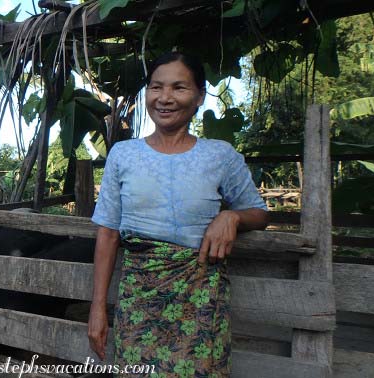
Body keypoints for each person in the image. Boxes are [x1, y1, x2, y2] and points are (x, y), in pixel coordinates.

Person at [87, 52, 268, 377]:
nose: (165, 98)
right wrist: (98, 308)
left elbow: (259, 212)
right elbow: (108, 233)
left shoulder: (220, 156)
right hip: (138, 303)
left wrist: (232, 218)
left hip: (201, 303)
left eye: (179, 88)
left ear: (199, 96)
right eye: (156, 87)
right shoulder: (123, 155)